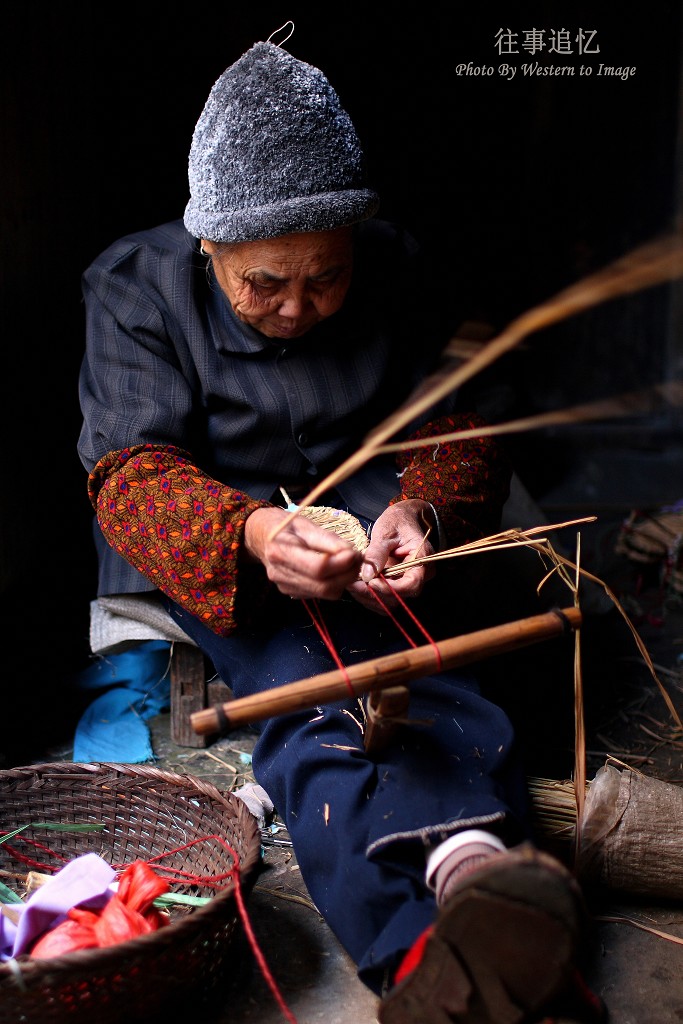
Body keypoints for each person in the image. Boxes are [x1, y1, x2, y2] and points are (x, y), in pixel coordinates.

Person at [77, 32, 605, 1024]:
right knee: (306, 685)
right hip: (222, 545)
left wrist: (424, 507)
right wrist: (252, 537)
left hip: (360, 518)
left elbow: (456, 410)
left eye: (323, 277)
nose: (294, 308)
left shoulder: (398, 266)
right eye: (262, 283)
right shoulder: (134, 286)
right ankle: (453, 900)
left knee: (420, 650)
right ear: (208, 245)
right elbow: (127, 471)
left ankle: (445, 928)